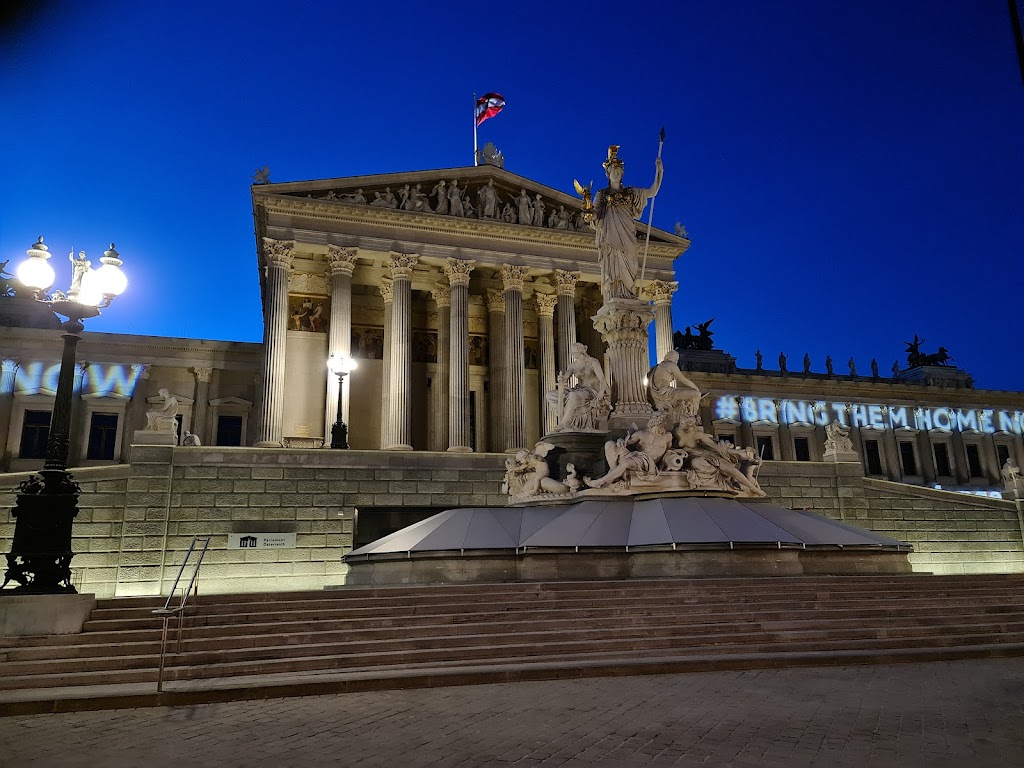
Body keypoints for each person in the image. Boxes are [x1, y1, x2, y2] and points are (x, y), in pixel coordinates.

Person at [589, 145, 662, 302]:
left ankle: (627, 295)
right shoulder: (602, 194)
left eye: (618, 172)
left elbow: (653, 191)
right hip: (610, 237)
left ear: (622, 174)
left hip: (627, 234)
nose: (616, 174)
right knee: (613, 268)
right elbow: (595, 213)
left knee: (629, 266)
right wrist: (589, 212)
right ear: (608, 175)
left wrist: (659, 171)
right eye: (613, 172)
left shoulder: (631, 193)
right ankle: (615, 296)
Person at [586, 411, 673, 489]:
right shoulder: (642, 434)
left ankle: (601, 481)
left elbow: (670, 452)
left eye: (663, 423)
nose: (663, 425)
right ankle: (614, 475)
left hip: (648, 464)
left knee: (626, 462)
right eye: (661, 422)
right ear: (654, 422)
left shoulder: (667, 437)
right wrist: (620, 440)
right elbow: (626, 443)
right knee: (610, 444)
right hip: (637, 457)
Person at [547, 342, 609, 431]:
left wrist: (601, 392)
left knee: (573, 395)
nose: (573, 355)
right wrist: (561, 379)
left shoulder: (593, 362)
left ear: (580, 351)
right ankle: (566, 414)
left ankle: (564, 423)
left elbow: (602, 379)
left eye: (574, 353)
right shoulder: (573, 365)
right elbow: (566, 377)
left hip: (591, 391)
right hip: (579, 390)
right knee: (550, 395)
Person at [647, 350, 702, 424]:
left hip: (657, 394)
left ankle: (684, 418)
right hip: (666, 393)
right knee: (696, 394)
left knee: (682, 402)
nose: (676, 360)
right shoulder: (670, 364)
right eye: (677, 359)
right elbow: (683, 379)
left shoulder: (657, 367)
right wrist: (696, 388)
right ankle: (692, 419)